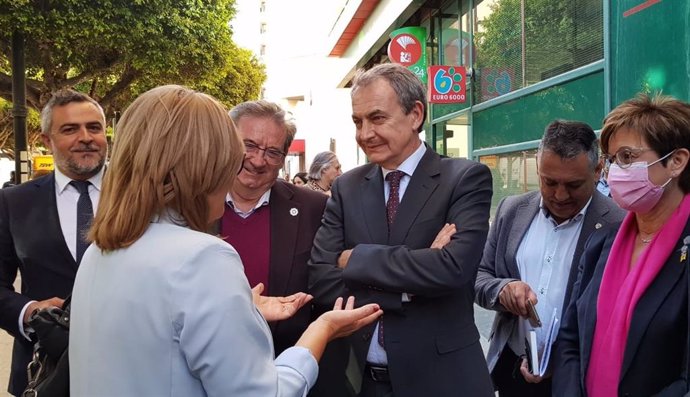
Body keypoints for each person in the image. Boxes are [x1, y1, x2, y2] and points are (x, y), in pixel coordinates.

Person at [69, 85, 382, 396]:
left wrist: (240, 308)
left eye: (271, 152)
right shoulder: (204, 258)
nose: (250, 163)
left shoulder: (99, 252)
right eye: (237, 151)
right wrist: (322, 329)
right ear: (206, 165)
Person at [308, 63, 495, 397]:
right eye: (357, 121)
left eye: (377, 118)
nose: (364, 133)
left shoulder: (464, 179)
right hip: (359, 382)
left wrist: (355, 260)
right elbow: (321, 280)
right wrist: (414, 279)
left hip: (443, 381)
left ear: (415, 115)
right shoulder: (346, 188)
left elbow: (452, 269)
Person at [474, 120, 625, 396]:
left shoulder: (619, 226)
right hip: (511, 368)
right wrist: (503, 289)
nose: (560, 195)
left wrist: (567, 356)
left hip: (577, 379)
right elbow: (480, 276)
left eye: (573, 184)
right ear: (537, 164)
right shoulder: (512, 210)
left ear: (598, 170)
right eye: (549, 181)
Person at [553, 94, 690, 396]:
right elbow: (571, 338)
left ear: (676, 162)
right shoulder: (602, 241)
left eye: (628, 157)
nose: (615, 171)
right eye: (613, 160)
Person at [219, 100, 344, 396]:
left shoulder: (315, 208)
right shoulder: (189, 206)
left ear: (283, 157)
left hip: (289, 371)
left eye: (272, 152)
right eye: (248, 145)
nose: (258, 160)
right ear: (225, 143)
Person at [0, 89, 107, 396]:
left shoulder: (139, 197)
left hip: (123, 368)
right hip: (41, 370)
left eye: (94, 128)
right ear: (47, 141)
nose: (85, 137)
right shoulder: (13, 202)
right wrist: (30, 312)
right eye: (70, 129)